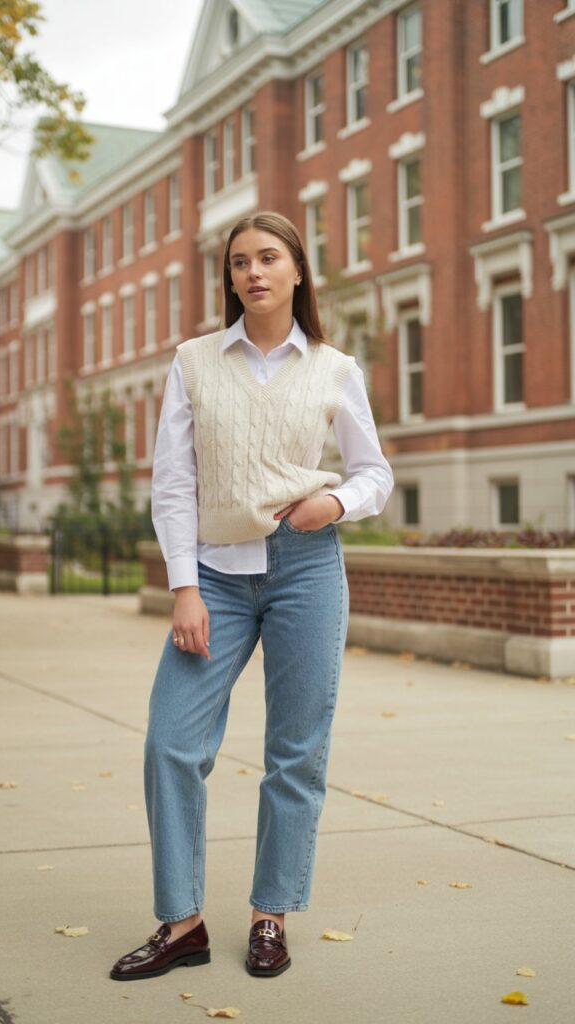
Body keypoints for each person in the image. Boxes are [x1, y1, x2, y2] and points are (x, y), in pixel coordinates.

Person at [110, 211, 394, 982]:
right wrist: (184, 588)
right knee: (170, 741)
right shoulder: (194, 361)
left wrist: (332, 505)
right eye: (239, 263)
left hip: (307, 568)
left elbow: (375, 473)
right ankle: (183, 924)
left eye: (269, 258)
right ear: (229, 278)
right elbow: (173, 482)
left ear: (297, 271)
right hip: (217, 579)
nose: (253, 273)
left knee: (294, 753)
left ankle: (270, 915)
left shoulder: (334, 366)